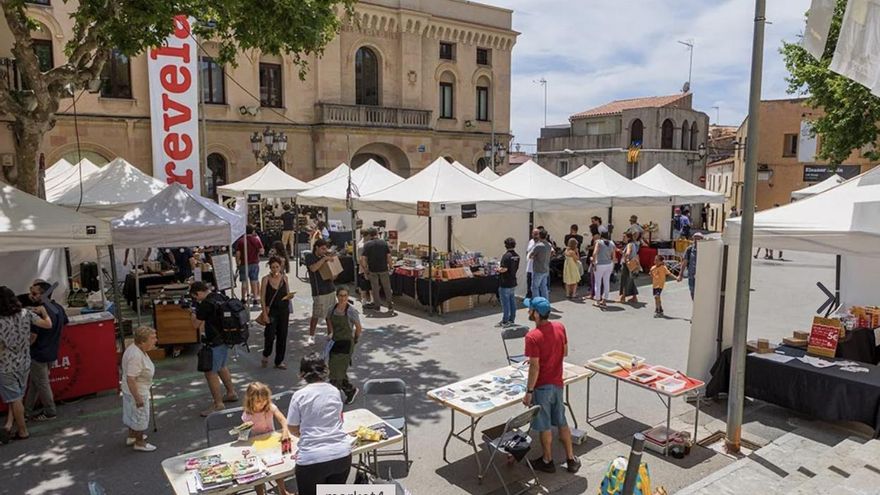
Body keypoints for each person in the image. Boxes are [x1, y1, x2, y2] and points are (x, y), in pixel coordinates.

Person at [521, 297, 581, 474]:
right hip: (557, 383)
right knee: (562, 421)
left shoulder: (532, 336)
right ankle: (571, 458)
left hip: (542, 387)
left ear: (537, 314)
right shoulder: (560, 327)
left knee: (544, 425)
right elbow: (565, 351)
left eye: (530, 309)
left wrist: (528, 392)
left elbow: (535, 367)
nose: (527, 312)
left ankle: (547, 460)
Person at [286, 353, 352, 495]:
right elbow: (338, 418)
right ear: (324, 371)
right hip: (341, 454)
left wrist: (303, 434)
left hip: (311, 460)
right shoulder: (335, 391)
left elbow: (292, 427)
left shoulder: (299, 395)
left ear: (302, 374)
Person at [0, 286, 51, 443]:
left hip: (5, 364)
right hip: (24, 362)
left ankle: (22, 431)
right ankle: (9, 426)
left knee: (14, 399)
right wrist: (44, 312)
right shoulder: (26, 313)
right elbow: (48, 324)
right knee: (17, 397)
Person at [190, 281, 238, 417]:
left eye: (195, 297)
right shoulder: (219, 296)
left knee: (210, 372)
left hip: (214, 341)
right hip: (226, 338)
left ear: (198, 293)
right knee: (222, 366)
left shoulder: (206, 304)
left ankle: (218, 404)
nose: (196, 299)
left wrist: (192, 313)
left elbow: (196, 325)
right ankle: (231, 392)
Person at [24, 280, 67, 422]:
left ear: (43, 295)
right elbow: (65, 322)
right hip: (51, 351)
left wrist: (23, 348)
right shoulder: (58, 308)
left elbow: (33, 337)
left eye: (34, 293)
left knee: (41, 383)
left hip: (38, 353)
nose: (31, 295)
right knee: (36, 383)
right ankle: (26, 411)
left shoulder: (39, 312)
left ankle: (50, 411)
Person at [242, 382, 291, 495]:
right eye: (258, 401)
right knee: (258, 471)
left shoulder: (270, 408)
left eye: (264, 400)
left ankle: (282, 491)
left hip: (272, 440)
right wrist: (242, 434)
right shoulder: (247, 414)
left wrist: (285, 431)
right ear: (250, 400)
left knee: (278, 467)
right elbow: (244, 433)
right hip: (257, 443)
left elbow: (283, 420)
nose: (262, 404)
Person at [121, 326, 158, 452]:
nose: (155, 340)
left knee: (132, 414)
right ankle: (139, 442)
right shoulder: (136, 356)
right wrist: (138, 398)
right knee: (140, 416)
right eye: (152, 338)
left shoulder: (135, 348)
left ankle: (132, 436)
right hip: (137, 391)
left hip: (132, 389)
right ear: (142, 342)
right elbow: (131, 378)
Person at [325, 288, 363, 404]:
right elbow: (328, 319)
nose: (343, 298)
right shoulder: (332, 309)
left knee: (337, 374)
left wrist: (355, 338)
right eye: (340, 295)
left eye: (345, 295)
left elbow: (358, 327)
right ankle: (350, 390)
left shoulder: (351, 311)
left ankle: (332, 401)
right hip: (335, 343)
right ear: (337, 296)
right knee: (334, 370)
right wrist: (330, 332)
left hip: (346, 343)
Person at [260, 256, 291, 370]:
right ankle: (266, 353)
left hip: (283, 310)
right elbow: (262, 297)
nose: (275, 269)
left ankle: (279, 361)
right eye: (273, 267)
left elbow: (287, 292)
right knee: (270, 335)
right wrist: (264, 313)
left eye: (277, 267)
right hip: (272, 311)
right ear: (270, 267)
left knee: (282, 335)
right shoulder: (265, 279)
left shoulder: (284, 278)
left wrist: (289, 297)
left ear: (280, 267)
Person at [306, 239, 337, 346]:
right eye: (322, 248)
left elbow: (333, 276)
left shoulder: (325, 257)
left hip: (330, 288)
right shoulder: (310, 257)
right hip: (319, 291)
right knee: (316, 314)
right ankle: (311, 336)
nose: (324, 251)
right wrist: (324, 259)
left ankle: (331, 333)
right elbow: (313, 268)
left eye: (325, 249)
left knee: (330, 314)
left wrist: (333, 266)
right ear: (316, 248)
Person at [360, 228, 394, 313]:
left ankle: (377, 306)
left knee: (375, 289)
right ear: (377, 234)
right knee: (387, 287)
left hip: (373, 269)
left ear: (370, 235)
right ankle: (390, 305)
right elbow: (389, 256)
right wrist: (391, 266)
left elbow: (363, 259)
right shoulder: (383, 243)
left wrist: (365, 269)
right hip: (383, 269)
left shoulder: (367, 245)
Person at [235, 225, 264, 305]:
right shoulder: (256, 240)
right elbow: (262, 251)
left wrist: (238, 263)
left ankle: (243, 299)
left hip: (244, 264)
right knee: (254, 281)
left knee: (244, 282)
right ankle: (255, 298)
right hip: (254, 263)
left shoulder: (241, 241)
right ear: (253, 231)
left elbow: (238, 254)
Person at [497, 237, 520, 327]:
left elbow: (504, 269)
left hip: (505, 282)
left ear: (506, 245)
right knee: (512, 301)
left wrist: (498, 269)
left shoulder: (506, 256)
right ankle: (511, 319)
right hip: (513, 280)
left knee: (505, 303)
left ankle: (505, 321)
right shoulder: (517, 256)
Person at [592, 231, 615, 308]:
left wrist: (594, 262)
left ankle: (597, 300)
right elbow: (613, 255)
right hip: (609, 264)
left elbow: (595, 253)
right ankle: (605, 300)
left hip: (600, 264)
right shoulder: (611, 243)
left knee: (598, 283)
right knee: (606, 282)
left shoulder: (599, 242)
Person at [679, 233, 702, 300]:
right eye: (695, 238)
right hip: (692, 275)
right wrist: (681, 274)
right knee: (692, 291)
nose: (697, 240)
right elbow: (684, 262)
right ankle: (694, 305)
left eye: (699, 238)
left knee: (702, 293)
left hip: (702, 276)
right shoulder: (689, 249)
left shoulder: (706, 249)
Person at [618, 232, 640, 303]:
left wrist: (625, 257)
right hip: (631, 264)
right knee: (631, 280)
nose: (623, 238)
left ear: (629, 238)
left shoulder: (629, 245)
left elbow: (628, 253)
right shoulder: (633, 244)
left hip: (627, 264)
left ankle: (623, 297)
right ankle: (634, 297)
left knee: (624, 280)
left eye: (624, 237)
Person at [530, 230, 551, 300]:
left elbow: (531, 255)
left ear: (539, 235)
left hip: (538, 269)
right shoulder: (549, 245)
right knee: (544, 287)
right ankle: (545, 302)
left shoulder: (538, 246)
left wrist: (535, 256)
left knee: (535, 287)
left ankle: (537, 302)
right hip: (546, 269)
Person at [525, 228, 540, 299]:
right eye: (534, 234)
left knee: (535, 285)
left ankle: (535, 298)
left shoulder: (541, 243)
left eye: (536, 234)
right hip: (529, 266)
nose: (535, 236)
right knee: (529, 282)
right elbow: (528, 251)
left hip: (537, 268)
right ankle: (529, 296)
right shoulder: (531, 241)